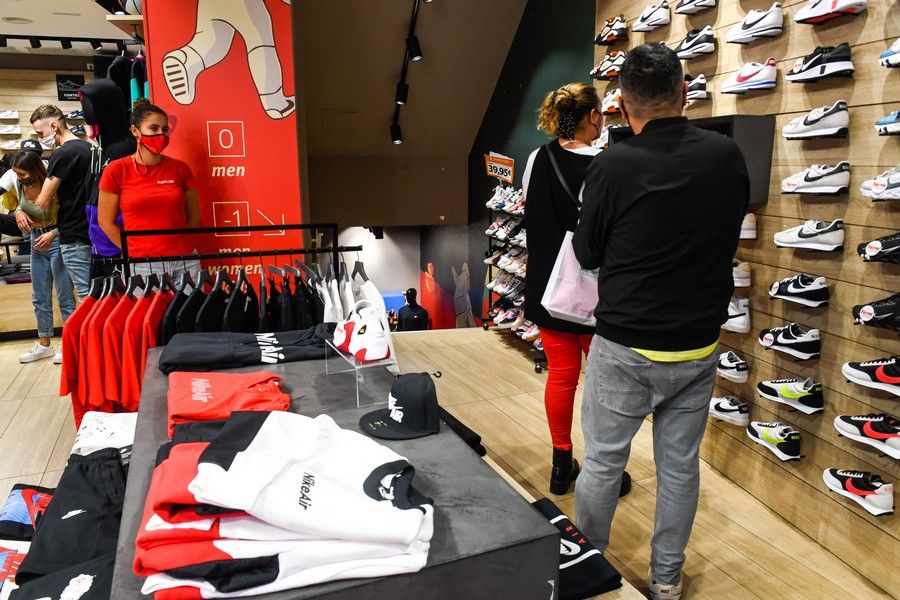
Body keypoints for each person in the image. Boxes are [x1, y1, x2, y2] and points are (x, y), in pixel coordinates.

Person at [572, 43, 749, 599]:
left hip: (625, 342)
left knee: (602, 464)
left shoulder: (612, 164)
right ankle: (666, 583)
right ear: (685, 91)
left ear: (621, 102)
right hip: (697, 345)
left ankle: (590, 573)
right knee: (678, 469)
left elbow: (587, 253)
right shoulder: (726, 156)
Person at [522, 82, 630, 496]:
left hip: (549, 287)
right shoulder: (606, 164)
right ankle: (606, 471)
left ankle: (560, 465)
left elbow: (533, 214)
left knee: (561, 378)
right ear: (592, 117)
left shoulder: (537, 157)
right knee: (603, 385)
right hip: (595, 290)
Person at [98, 101, 200, 275]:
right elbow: (105, 222)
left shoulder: (180, 169)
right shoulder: (116, 170)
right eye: (153, 128)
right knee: (147, 304)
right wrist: (134, 249)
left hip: (185, 261)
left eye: (165, 129)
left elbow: (194, 217)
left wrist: (181, 244)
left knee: (191, 303)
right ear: (135, 131)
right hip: (142, 264)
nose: (161, 134)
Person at [10, 150, 75, 363]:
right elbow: (21, 204)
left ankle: (70, 344)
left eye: (21, 173)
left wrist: (53, 233)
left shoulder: (53, 184)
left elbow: (72, 215)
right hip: (35, 242)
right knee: (39, 297)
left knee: (65, 296)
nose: (18, 178)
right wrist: (18, 212)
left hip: (56, 239)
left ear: (33, 168)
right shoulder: (24, 184)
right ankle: (44, 343)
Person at [29, 105, 93, 300]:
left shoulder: (62, 153)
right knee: (98, 296)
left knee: (85, 297)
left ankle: (88, 332)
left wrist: (21, 210)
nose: (40, 138)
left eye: (40, 133)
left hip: (73, 234)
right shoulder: (90, 147)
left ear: (55, 125)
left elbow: (42, 203)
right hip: (94, 232)